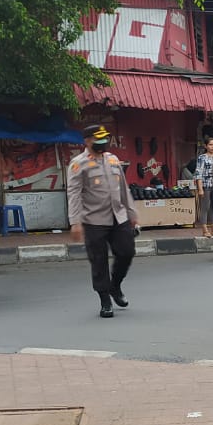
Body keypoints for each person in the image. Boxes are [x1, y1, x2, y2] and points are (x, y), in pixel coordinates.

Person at [67, 124, 139, 319]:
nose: (103, 142)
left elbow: (123, 188)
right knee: (98, 261)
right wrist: (75, 222)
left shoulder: (113, 159)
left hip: (118, 216)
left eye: (104, 138)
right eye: (98, 139)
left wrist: (132, 214)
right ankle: (105, 300)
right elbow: (73, 194)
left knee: (127, 252)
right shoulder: (78, 164)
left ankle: (115, 285)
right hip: (93, 219)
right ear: (87, 141)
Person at [196, 138, 213, 238]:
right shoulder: (202, 157)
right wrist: (200, 189)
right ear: (206, 146)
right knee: (205, 208)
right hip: (206, 186)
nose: (212, 147)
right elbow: (198, 173)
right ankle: (204, 230)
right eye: (210, 144)